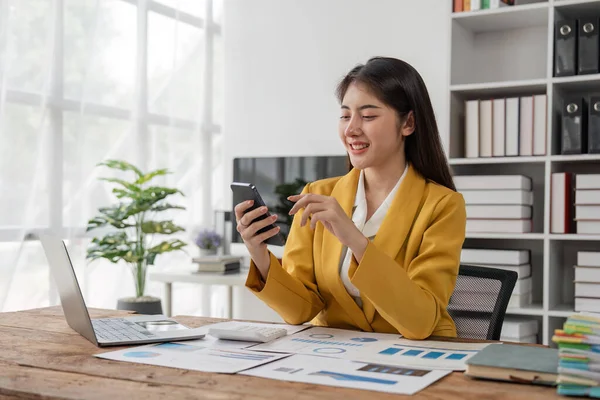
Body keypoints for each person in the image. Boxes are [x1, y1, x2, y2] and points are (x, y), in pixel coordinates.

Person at [234, 57, 466, 340]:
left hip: (419, 357)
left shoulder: (442, 205)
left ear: (408, 123)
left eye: (368, 116)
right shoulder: (317, 195)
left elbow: (420, 322)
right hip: (335, 358)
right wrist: (259, 254)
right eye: (345, 116)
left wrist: (355, 240)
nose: (351, 129)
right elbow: (300, 311)